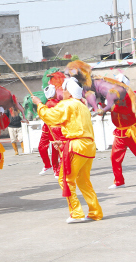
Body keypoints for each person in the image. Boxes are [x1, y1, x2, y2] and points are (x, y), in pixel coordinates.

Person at [32, 77, 103, 224]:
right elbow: (77, 128)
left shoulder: (68, 104)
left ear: (70, 93)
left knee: (65, 180)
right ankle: (95, 212)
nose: (62, 93)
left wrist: (39, 105)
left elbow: (50, 117)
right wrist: (64, 141)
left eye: (64, 90)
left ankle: (76, 213)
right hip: (87, 146)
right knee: (84, 181)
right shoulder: (83, 106)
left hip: (76, 147)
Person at [37, 84, 63, 176]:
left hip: (53, 126)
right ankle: (50, 166)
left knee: (55, 148)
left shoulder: (55, 103)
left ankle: (57, 169)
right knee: (42, 147)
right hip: (48, 126)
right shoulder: (53, 103)